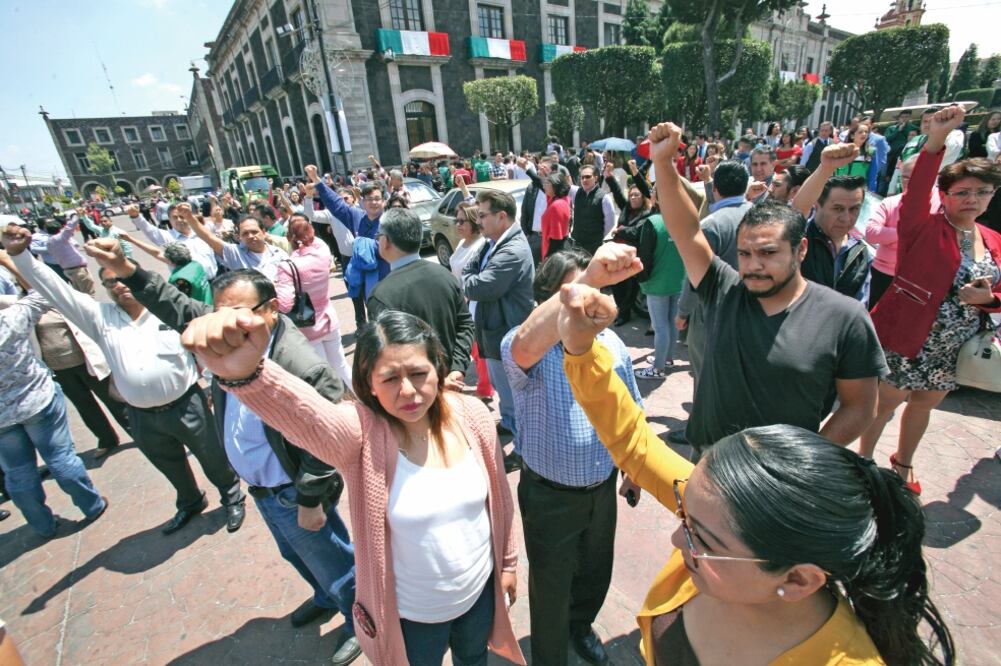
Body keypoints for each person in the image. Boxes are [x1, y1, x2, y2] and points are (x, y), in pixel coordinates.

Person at [552, 270, 955, 666]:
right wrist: (581, 347)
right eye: (685, 516)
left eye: (699, 539)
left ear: (797, 580)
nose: (677, 539)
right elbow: (634, 443)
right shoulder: (721, 519)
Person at [180, 308, 524, 666]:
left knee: (474, 659)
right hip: (412, 619)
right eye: (390, 378)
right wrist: (250, 375)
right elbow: (308, 417)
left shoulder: (474, 416)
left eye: (419, 373)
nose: (408, 391)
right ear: (369, 384)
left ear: (438, 368)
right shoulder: (361, 435)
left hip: (480, 597)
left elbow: (500, 500)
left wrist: (509, 564)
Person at [88, 241, 362, 664]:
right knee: (295, 554)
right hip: (263, 489)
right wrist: (126, 268)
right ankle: (326, 596)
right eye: (217, 312)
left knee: (334, 559)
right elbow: (174, 305)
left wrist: (310, 500)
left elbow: (328, 440)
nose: (223, 326)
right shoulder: (230, 330)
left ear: (271, 310)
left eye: (238, 313)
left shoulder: (301, 364)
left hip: (293, 490)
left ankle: (358, 618)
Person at [647, 122, 886, 455]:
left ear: (800, 250)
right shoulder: (725, 289)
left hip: (780, 488)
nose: (753, 264)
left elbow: (861, 407)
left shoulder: (845, 318)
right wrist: (662, 162)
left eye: (768, 253)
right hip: (710, 470)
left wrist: (807, 458)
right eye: (744, 253)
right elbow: (687, 232)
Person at [5, 227, 246, 535]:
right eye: (109, 283)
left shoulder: (165, 309)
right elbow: (55, 290)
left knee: (213, 456)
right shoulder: (99, 317)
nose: (119, 286)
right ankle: (189, 501)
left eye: (121, 278)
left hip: (187, 404)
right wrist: (19, 255)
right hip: (142, 415)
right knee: (168, 463)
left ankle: (231, 496)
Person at [502, 247, 642, 666]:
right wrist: (593, 277)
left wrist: (632, 470)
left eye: (596, 289)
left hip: (600, 489)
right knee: (550, 582)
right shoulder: (527, 346)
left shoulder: (614, 344)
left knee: (596, 571)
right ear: (547, 299)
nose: (588, 300)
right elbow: (525, 345)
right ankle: (549, 656)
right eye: (578, 290)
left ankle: (580, 625)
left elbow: (632, 408)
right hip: (550, 496)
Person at [860, 106, 1001, 495]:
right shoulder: (920, 226)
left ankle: (902, 462)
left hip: (952, 348)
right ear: (946, 195)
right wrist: (936, 140)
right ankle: (864, 461)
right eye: (963, 192)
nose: (973, 199)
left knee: (924, 405)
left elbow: (1000, 293)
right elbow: (918, 186)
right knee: (884, 402)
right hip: (908, 338)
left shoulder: (992, 240)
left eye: (982, 192)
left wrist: (989, 299)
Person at [0, 287, 108, 538]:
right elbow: (41, 292)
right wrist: (10, 260)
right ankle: (91, 505)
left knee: (18, 472)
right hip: (36, 400)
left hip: (2, 419)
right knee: (59, 456)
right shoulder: (10, 319)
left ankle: (42, 525)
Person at [366, 208, 475, 393]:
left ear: (385, 241)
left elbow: (390, 356)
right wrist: (457, 369)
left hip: (415, 394)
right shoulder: (445, 275)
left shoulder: (381, 295)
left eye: (378, 236)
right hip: (451, 382)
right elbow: (465, 324)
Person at [462, 189, 535, 440]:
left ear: (502, 216)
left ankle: (521, 446)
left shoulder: (511, 250)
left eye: (482, 216)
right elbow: (472, 270)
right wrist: (470, 276)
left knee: (514, 396)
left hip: (505, 335)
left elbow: (481, 287)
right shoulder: (492, 243)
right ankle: (509, 421)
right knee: (505, 393)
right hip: (495, 332)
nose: (477, 221)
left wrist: (467, 280)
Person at [307, 165, 390, 328]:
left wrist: (368, 246)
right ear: (363, 202)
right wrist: (317, 180)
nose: (373, 202)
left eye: (377, 198)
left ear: (383, 201)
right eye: (369, 199)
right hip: (367, 282)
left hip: (387, 280)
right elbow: (336, 204)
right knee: (375, 322)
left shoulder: (391, 220)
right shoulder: (357, 216)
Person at [276, 215, 353, 389]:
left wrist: (275, 288)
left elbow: (285, 304)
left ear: (289, 238)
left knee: (323, 375)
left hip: (307, 326)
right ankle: (363, 400)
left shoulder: (287, 266)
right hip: (330, 319)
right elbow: (315, 239)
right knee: (341, 365)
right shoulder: (323, 251)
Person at [864, 156, 942, 307]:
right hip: (884, 273)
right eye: (905, 177)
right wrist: (908, 232)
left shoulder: (943, 203)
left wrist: (890, 235)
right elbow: (872, 233)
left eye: (916, 177)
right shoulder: (890, 202)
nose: (909, 183)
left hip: (921, 276)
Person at [792, 170, 872, 304]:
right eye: (838, 209)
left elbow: (859, 308)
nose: (846, 218)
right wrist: (826, 167)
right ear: (817, 205)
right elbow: (797, 210)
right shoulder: (799, 238)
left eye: (854, 209)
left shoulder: (861, 254)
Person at [634, 208, 686, 380]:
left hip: (657, 283)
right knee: (672, 324)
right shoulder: (685, 219)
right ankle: (666, 359)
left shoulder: (654, 222)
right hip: (678, 279)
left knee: (660, 327)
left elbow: (644, 256)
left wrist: (642, 280)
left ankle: (658, 368)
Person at [449, 202, 493, 401]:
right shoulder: (462, 243)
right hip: (460, 301)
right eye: (456, 220)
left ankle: (485, 388)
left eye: (462, 221)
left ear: (474, 222)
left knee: (477, 348)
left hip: (473, 303)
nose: (457, 224)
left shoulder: (481, 246)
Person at [184, 205, 288, 281]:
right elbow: (209, 238)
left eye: (254, 232)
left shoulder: (279, 253)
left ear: (264, 232)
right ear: (239, 237)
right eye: (245, 233)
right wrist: (189, 217)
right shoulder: (235, 254)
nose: (250, 236)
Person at [606, 160, 653, 325]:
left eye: (637, 195)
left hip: (633, 255)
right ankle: (621, 310)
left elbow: (636, 232)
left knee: (629, 287)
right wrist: (609, 177)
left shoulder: (647, 213)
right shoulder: (627, 208)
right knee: (616, 284)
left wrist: (621, 230)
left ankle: (624, 314)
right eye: (631, 195)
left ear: (643, 198)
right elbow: (617, 193)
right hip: (617, 252)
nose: (633, 198)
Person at [128, 203, 219, 279]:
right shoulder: (167, 237)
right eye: (175, 217)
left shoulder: (201, 232)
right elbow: (148, 229)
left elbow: (217, 221)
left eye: (182, 216)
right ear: (169, 220)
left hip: (214, 281)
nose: (179, 220)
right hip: (193, 287)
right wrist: (135, 216)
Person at [571, 165, 616, 257]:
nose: (584, 180)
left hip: (593, 246)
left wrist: (598, 236)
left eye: (588, 177)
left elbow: (610, 222)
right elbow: (561, 185)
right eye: (582, 177)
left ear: (595, 178)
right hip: (577, 244)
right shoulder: (576, 192)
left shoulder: (604, 197)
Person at [834, 124, 879, 193]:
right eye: (860, 132)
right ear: (852, 135)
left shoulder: (871, 152)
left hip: (858, 191)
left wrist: (871, 191)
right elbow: (833, 171)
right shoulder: (842, 150)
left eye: (866, 132)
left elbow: (872, 174)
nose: (864, 134)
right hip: (840, 189)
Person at [541, 170, 572, 259]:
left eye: (547, 184)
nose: (544, 186)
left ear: (555, 185)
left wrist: (548, 259)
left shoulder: (557, 205)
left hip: (553, 254)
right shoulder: (560, 199)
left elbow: (556, 238)